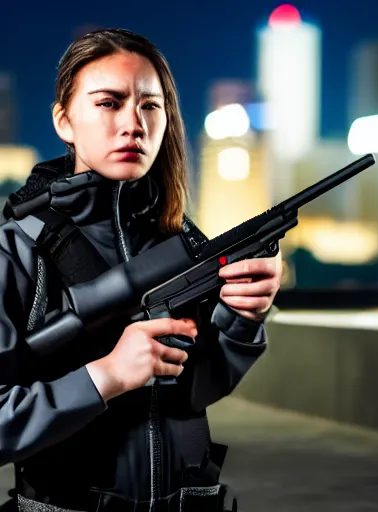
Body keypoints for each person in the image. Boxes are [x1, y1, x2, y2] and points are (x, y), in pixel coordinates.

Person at [0, 28, 282, 512]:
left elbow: (196, 389)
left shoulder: (179, 240)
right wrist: (105, 376)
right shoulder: (17, 249)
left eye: (150, 106)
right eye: (108, 103)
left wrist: (242, 318)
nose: (133, 123)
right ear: (64, 121)